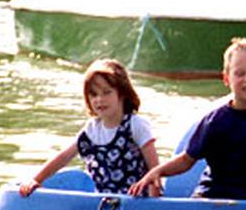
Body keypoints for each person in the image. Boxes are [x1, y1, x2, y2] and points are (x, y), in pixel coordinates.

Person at [129, 38, 246, 210]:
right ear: (226, 79)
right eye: (240, 74)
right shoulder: (215, 120)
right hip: (212, 196)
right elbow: (186, 159)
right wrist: (157, 172)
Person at [19, 59, 160, 197]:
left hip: (138, 203)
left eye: (107, 92)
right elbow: (64, 157)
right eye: (93, 94)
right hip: (103, 205)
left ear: (122, 94)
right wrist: (36, 180)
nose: (99, 99)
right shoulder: (92, 130)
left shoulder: (136, 125)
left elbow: (155, 169)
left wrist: (154, 203)